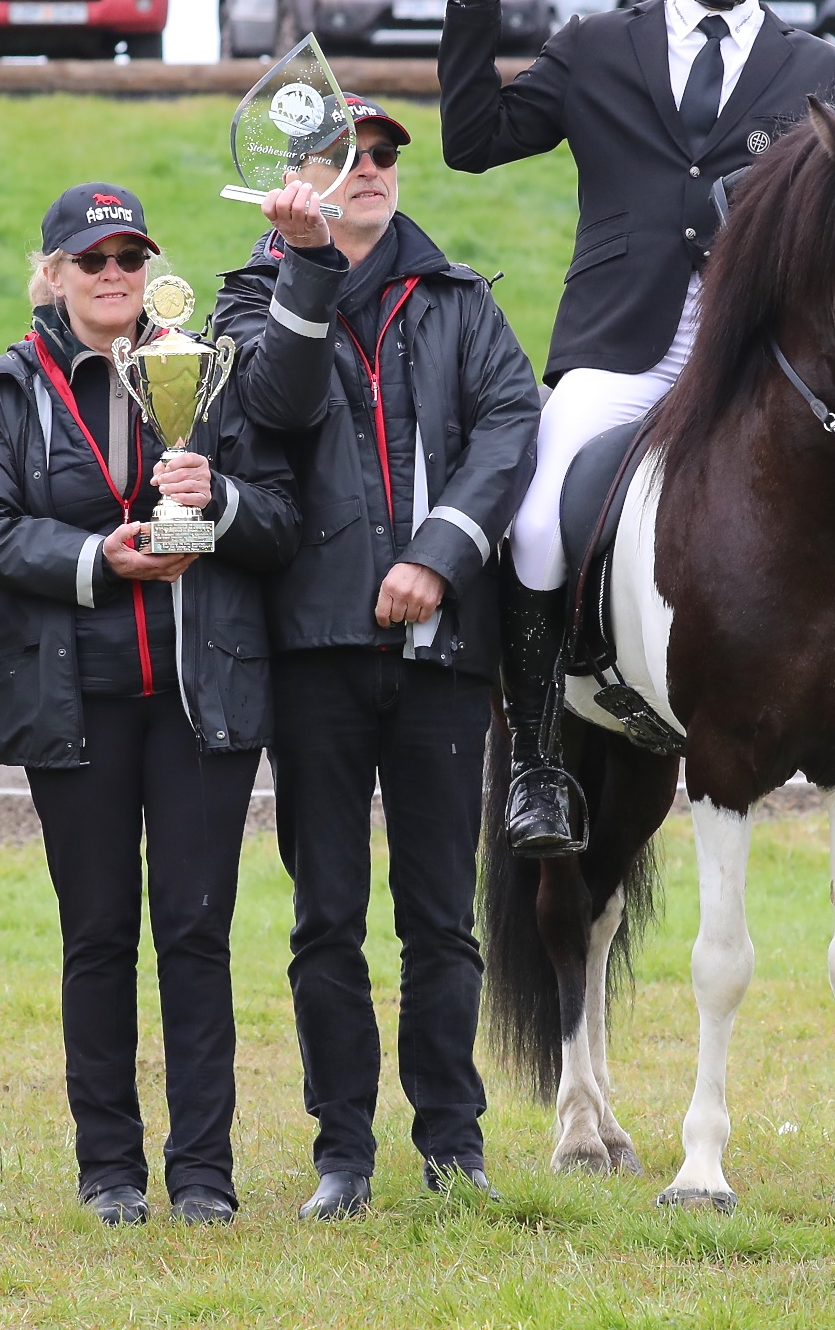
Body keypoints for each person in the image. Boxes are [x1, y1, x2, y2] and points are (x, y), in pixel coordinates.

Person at [436, 0, 835, 853]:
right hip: (623, 339)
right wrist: (471, 3)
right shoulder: (596, 46)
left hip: (764, 350)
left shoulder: (823, 68)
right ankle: (540, 764)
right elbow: (472, 143)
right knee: (543, 517)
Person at [212, 99, 541, 1218]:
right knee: (326, 919)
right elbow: (275, 404)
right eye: (346, 155)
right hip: (312, 653)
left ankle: (454, 1145)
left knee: (443, 917)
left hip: (444, 649)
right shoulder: (248, 301)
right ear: (296, 180)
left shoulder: (458, 299)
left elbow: (510, 427)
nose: (373, 169)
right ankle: (341, 1155)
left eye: (386, 154)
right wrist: (305, 271)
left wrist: (439, 558)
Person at [0, 183, 298, 1226]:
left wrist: (216, 500)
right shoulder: (9, 391)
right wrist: (93, 558)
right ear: (51, 274)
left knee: (196, 932)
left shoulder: (211, 374)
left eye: (129, 258)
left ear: (153, 272)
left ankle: (203, 1174)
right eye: (91, 259)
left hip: (201, 703)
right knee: (96, 936)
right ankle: (108, 1170)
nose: (112, 276)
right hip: (75, 701)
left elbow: (279, 520)